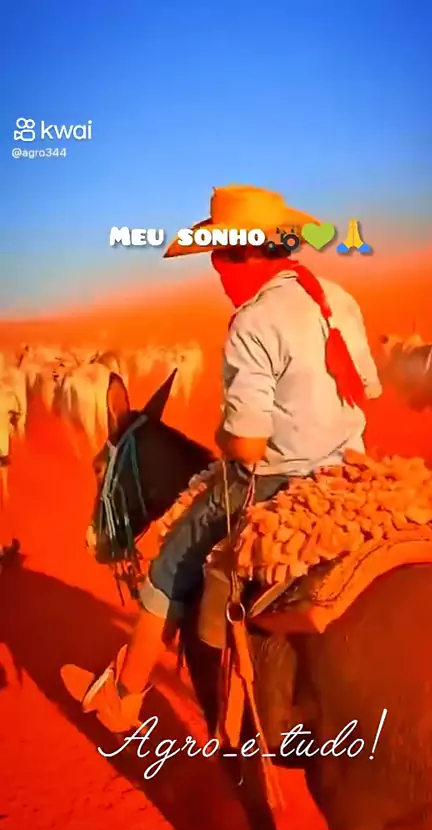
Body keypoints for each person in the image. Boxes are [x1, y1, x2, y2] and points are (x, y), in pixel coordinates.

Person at [61, 185, 381, 733]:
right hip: (351, 468)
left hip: (281, 479)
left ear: (239, 254)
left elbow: (250, 447)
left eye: (220, 257)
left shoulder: (252, 322)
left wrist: (227, 435)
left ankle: (123, 697)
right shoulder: (336, 297)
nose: (217, 269)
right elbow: (367, 389)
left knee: (170, 561)